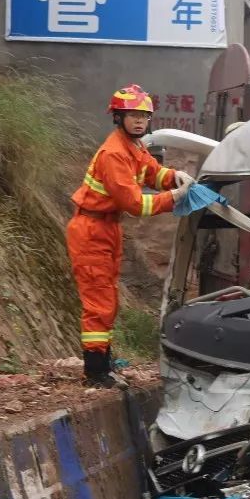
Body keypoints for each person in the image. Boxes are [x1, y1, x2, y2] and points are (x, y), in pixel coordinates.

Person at [67, 84, 193, 387]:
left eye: (144, 116)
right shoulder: (114, 153)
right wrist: (174, 197)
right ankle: (95, 371)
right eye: (133, 115)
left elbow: (152, 173)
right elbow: (133, 203)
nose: (140, 121)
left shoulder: (133, 147)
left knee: (107, 297)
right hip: (92, 229)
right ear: (119, 117)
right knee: (99, 301)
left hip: (106, 227)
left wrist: (173, 176)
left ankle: (103, 362)